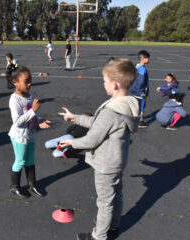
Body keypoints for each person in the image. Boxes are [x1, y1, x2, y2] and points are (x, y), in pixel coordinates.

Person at [58, 59, 139, 240]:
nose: (103, 84)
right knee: (116, 194)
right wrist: (75, 118)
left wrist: (72, 143)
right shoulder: (127, 104)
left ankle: (99, 236)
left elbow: (91, 139)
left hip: (106, 164)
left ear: (115, 84)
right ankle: (114, 225)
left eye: (104, 81)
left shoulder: (111, 111)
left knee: (104, 201)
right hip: (118, 161)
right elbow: (97, 123)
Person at [8, 66, 51, 198]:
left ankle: (32, 185)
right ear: (15, 82)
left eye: (30, 80)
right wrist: (33, 111)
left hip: (30, 134)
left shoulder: (30, 96)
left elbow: (32, 115)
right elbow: (17, 121)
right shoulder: (15, 99)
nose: (29, 84)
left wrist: (39, 119)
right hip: (19, 136)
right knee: (20, 161)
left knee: (30, 161)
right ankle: (14, 187)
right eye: (26, 81)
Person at [131, 50, 150, 128]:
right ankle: (140, 121)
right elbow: (140, 81)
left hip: (135, 90)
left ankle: (135, 119)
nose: (149, 60)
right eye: (148, 58)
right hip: (140, 92)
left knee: (136, 105)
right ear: (143, 59)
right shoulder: (142, 69)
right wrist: (141, 92)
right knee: (141, 106)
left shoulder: (138, 66)